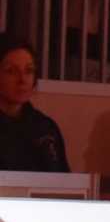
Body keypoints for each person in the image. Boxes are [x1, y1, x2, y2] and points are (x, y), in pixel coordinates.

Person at [0, 35, 70, 173]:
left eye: (29, 71)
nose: (22, 80)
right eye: (11, 71)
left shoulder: (45, 127)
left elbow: (63, 182)